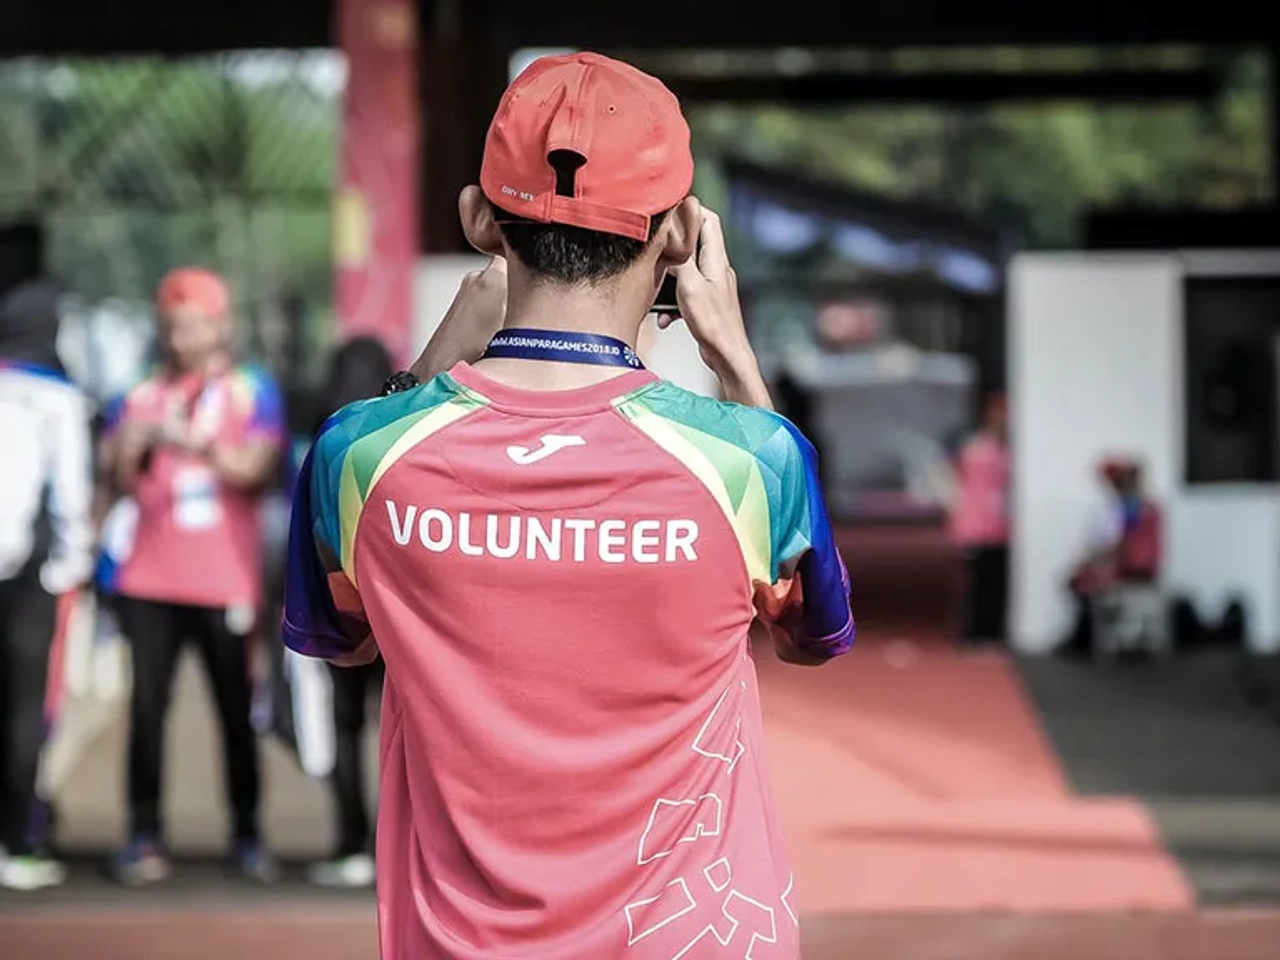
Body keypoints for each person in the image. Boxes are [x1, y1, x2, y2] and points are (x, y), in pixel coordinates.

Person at [283, 52, 854, 959]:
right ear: (678, 237)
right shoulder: (751, 458)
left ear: (478, 218)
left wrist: (426, 370)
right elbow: (809, 633)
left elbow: (343, 641)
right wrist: (736, 360)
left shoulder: (359, 454)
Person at [102, 267, 285, 885]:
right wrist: (136, 441)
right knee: (148, 711)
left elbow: (254, 466)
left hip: (223, 579)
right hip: (148, 578)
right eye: (174, 326)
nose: (182, 338)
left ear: (220, 326)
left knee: (236, 710)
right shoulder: (139, 393)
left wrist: (195, 441)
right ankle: (144, 832)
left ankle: (248, 832)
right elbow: (117, 474)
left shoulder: (248, 390)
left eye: (195, 325)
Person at [0, 279, 94, 890]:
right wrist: (69, 567)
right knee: (24, 706)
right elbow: (71, 491)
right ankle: (16, 842)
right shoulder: (56, 398)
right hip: (28, 574)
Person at [305, 336, 393, 888]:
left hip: (341, 601)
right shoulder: (397, 432)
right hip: (397, 611)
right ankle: (394, 842)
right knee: (404, 729)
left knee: (344, 725)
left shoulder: (330, 436)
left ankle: (348, 840)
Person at [1062, 457, 1162, 656]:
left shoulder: (1134, 507)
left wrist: (1096, 560)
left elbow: (1124, 544)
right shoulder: (1146, 506)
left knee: (1082, 579)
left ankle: (1087, 636)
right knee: (1081, 578)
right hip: (1138, 565)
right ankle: (1087, 633)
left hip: (1133, 568)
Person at [949, 392, 1010, 645]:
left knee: (993, 582)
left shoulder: (1000, 451)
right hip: (977, 526)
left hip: (998, 527)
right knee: (977, 582)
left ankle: (988, 631)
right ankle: (973, 632)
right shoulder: (976, 449)